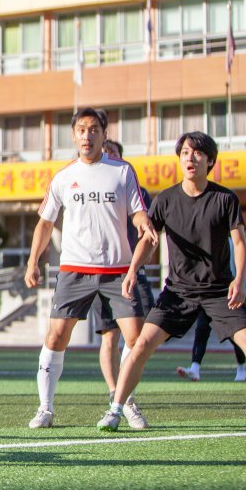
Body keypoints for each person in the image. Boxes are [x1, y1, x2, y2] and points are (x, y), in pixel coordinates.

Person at [98, 131, 246, 435]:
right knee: (141, 344)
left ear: (210, 160)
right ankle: (115, 410)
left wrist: (239, 278)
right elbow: (148, 240)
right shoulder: (166, 199)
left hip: (219, 290)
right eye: (184, 153)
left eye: (197, 153)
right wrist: (132, 269)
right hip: (178, 291)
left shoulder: (225, 199)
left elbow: (239, 242)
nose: (190, 158)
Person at [24, 107, 155, 430]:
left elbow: (137, 211)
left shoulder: (122, 172)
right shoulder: (64, 177)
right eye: (81, 129)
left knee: (135, 340)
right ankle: (46, 408)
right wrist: (33, 261)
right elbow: (45, 222)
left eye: (94, 129)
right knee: (56, 336)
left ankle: (125, 403)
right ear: (73, 135)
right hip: (74, 270)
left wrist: (144, 224)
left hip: (118, 271)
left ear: (103, 134)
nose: (87, 135)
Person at [93, 139, 156, 407]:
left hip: (131, 272)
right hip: (99, 272)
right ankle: (114, 390)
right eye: (105, 153)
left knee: (137, 335)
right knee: (109, 335)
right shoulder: (90, 191)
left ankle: (124, 389)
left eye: (113, 153)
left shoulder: (138, 192)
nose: (108, 157)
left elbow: (149, 232)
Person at [175, 311, 246, 382]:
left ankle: (241, 368)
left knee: (233, 335)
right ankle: (194, 369)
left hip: (222, 303)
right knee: (201, 331)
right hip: (206, 301)